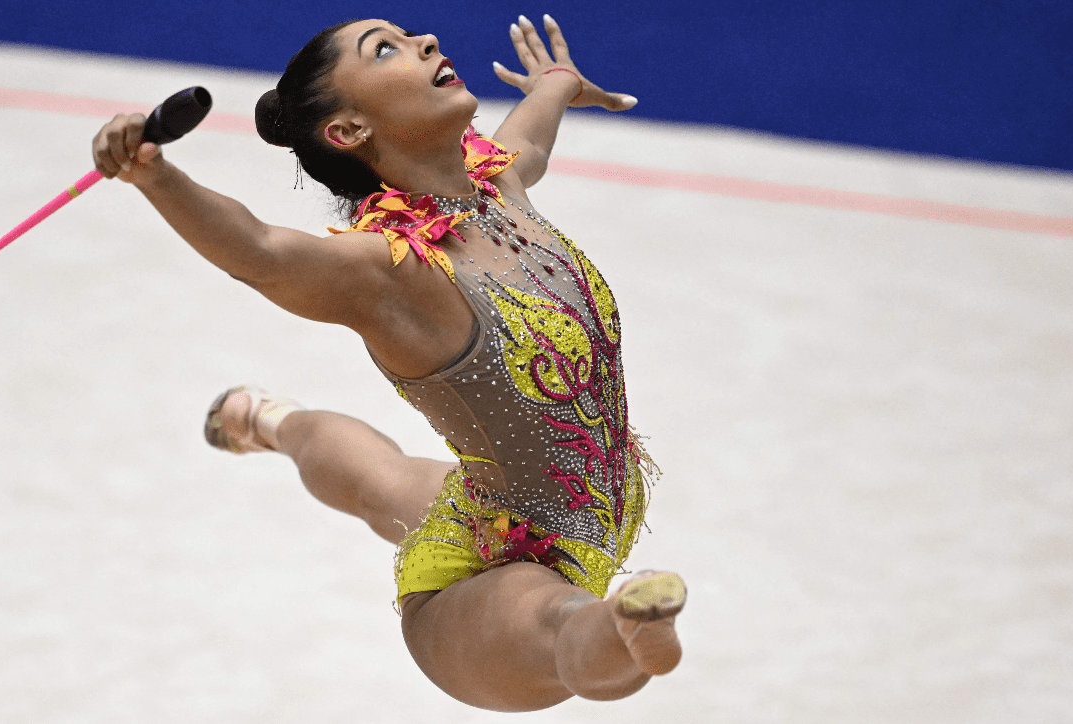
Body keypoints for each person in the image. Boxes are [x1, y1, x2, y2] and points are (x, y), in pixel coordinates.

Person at [92, 14, 685, 712]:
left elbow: (527, 135)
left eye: (412, 36)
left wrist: (555, 84)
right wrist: (153, 174)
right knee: (557, 624)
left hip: (493, 510)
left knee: (389, 483)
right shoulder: (391, 271)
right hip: (497, 589)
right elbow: (260, 253)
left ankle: (269, 420)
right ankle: (632, 630)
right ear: (347, 131)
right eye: (386, 51)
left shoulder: (497, 186)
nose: (427, 43)